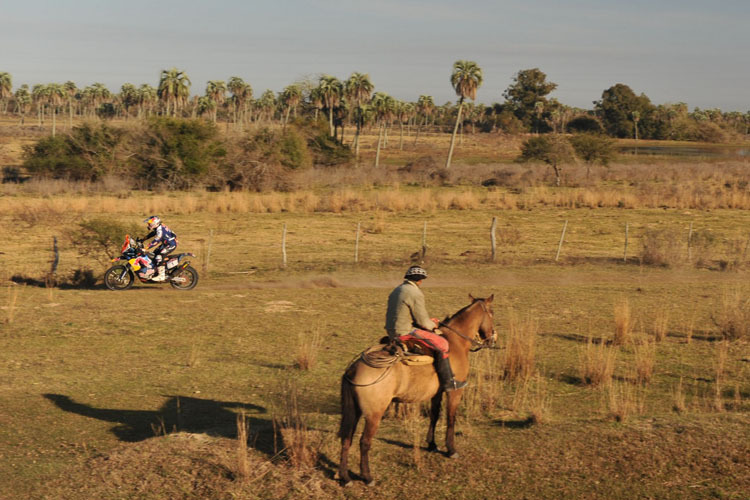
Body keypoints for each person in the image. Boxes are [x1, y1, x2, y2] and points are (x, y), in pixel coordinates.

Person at [384, 265, 466, 391]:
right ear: (420, 280)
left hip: (391, 331)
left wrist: (428, 321)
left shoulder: (397, 290)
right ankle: (448, 382)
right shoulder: (415, 293)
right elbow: (422, 321)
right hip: (405, 332)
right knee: (443, 344)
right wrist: (434, 325)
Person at [142, 215, 178, 282]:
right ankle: (156, 271)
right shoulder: (159, 227)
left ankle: (161, 276)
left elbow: (156, 241)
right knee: (154, 254)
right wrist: (143, 239)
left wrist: (146, 248)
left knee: (159, 256)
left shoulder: (160, 230)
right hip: (166, 243)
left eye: (150, 223)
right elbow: (153, 233)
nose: (148, 225)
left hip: (171, 244)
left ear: (155, 223)